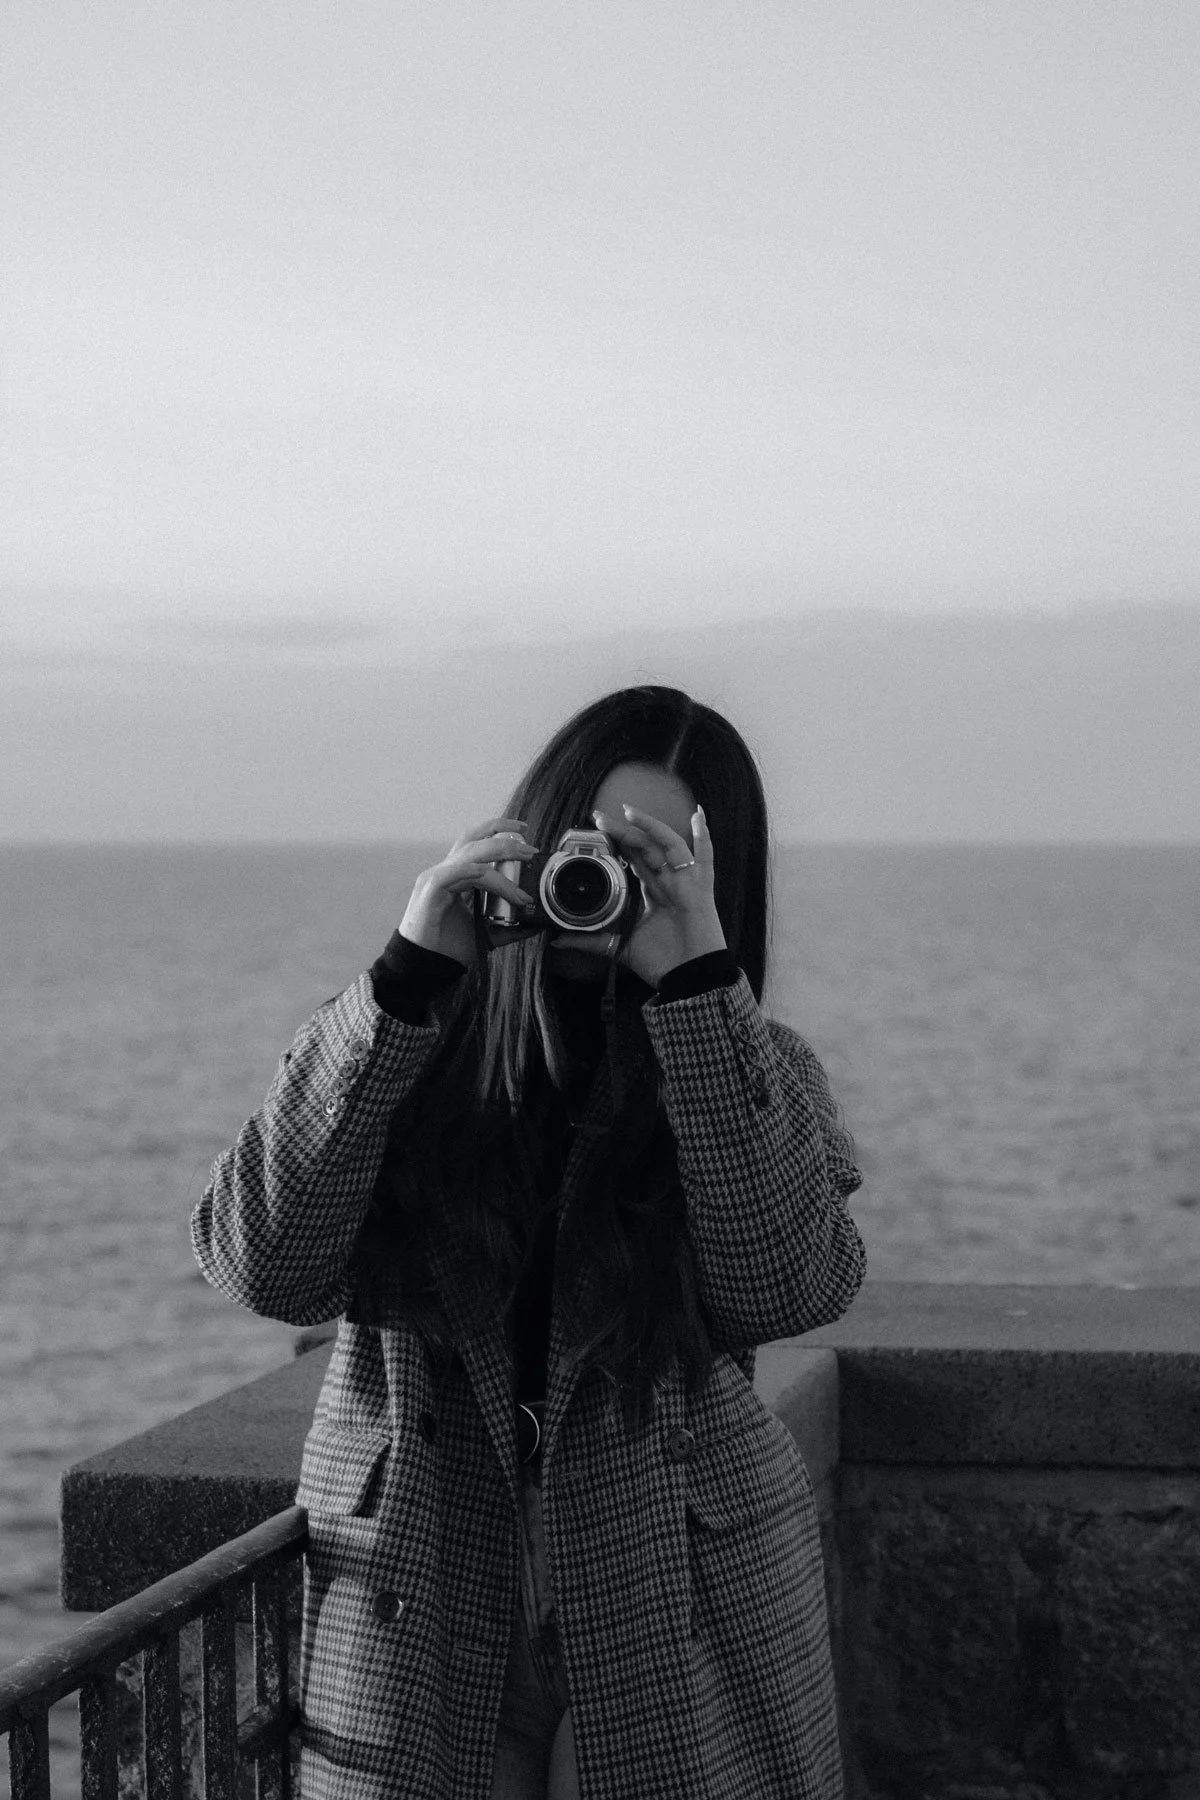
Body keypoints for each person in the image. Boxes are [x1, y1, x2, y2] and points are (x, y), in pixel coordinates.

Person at [191, 683, 867, 1800]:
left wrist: (700, 991)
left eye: (650, 862)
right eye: (586, 847)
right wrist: (408, 976)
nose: (604, 885)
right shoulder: (406, 1049)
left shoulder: (750, 1068)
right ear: (531, 843)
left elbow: (787, 1288)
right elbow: (263, 1262)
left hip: (679, 1601)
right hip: (422, 1595)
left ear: (717, 883)